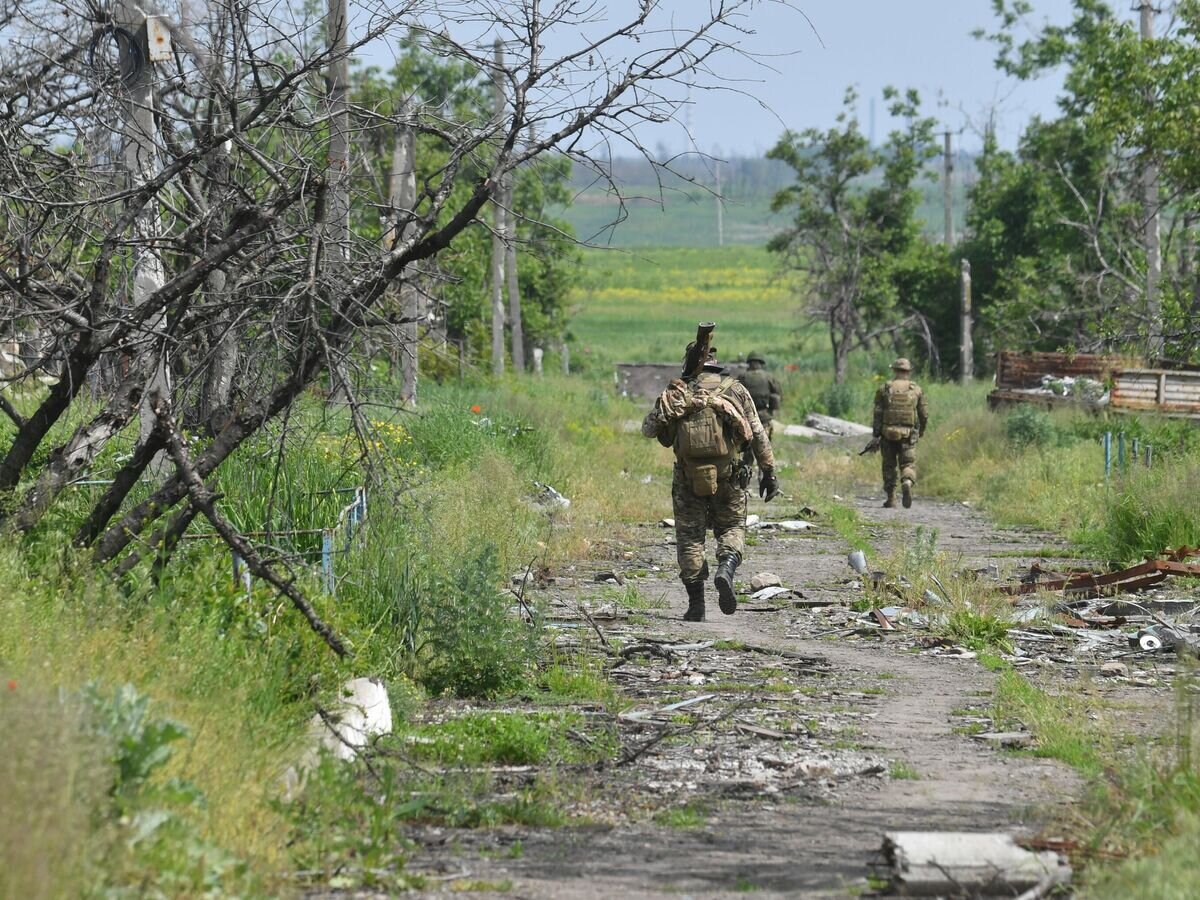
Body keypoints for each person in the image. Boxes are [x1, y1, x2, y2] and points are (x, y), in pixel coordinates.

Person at [641, 333, 780, 622]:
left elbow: (649, 429)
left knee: (690, 538)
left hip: (687, 478)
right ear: (716, 366)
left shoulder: (677, 392)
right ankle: (726, 567)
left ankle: (696, 606)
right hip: (729, 476)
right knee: (731, 527)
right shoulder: (734, 390)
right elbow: (756, 432)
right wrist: (768, 471)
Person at [872, 357, 929, 509]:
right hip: (908, 434)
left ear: (894, 370)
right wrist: (921, 430)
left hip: (887, 433)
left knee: (889, 466)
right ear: (908, 371)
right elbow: (923, 414)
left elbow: (878, 413)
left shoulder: (884, 388)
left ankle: (891, 498)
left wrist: (876, 435)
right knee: (908, 463)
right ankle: (907, 482)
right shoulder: (916, 389)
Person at [737, 352, 782, 439]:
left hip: (746, 414)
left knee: (748, 442)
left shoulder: (742, 376)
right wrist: (772, 410)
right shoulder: (769, 376)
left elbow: (735, 394)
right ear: (761, 363)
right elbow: (778, 393)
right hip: (764, 414)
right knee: (765, 443)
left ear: (749, 363)